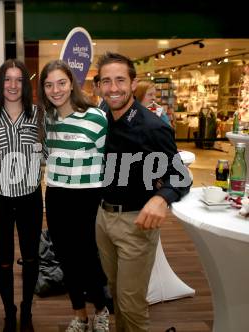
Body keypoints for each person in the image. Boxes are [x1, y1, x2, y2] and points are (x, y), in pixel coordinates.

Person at [95, 52, 191, 332]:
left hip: (135, 224)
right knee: (116, 296)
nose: (113, 88)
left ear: (133, 82)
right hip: (103, 219)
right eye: (107, 81)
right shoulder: (102, 118)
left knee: (131, 304)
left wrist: (162, 198)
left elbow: (179, 176)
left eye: (120, 80)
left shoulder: (152, 127)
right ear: (99, 86)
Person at [38, 59, 110, 332]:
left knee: (89, 259)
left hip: (87, 198)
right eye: (48, 85)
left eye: (61, 83)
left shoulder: (95, 117)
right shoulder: (48, 119)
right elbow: (47, 156)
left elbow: (109, 160)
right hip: (56, 196)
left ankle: (101, 310)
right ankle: (79, 314)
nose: (55, 90)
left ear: (72, 84)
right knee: (66, 259)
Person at [0, 59, 44, 332]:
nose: (13, 85)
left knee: (31, 258)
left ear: (25, 84)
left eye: (19, 79)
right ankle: (10, 312)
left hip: (31, 197)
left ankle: (27, 310)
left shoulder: (39, 115)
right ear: (0, 83)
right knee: (4, 261)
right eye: (8, 79)